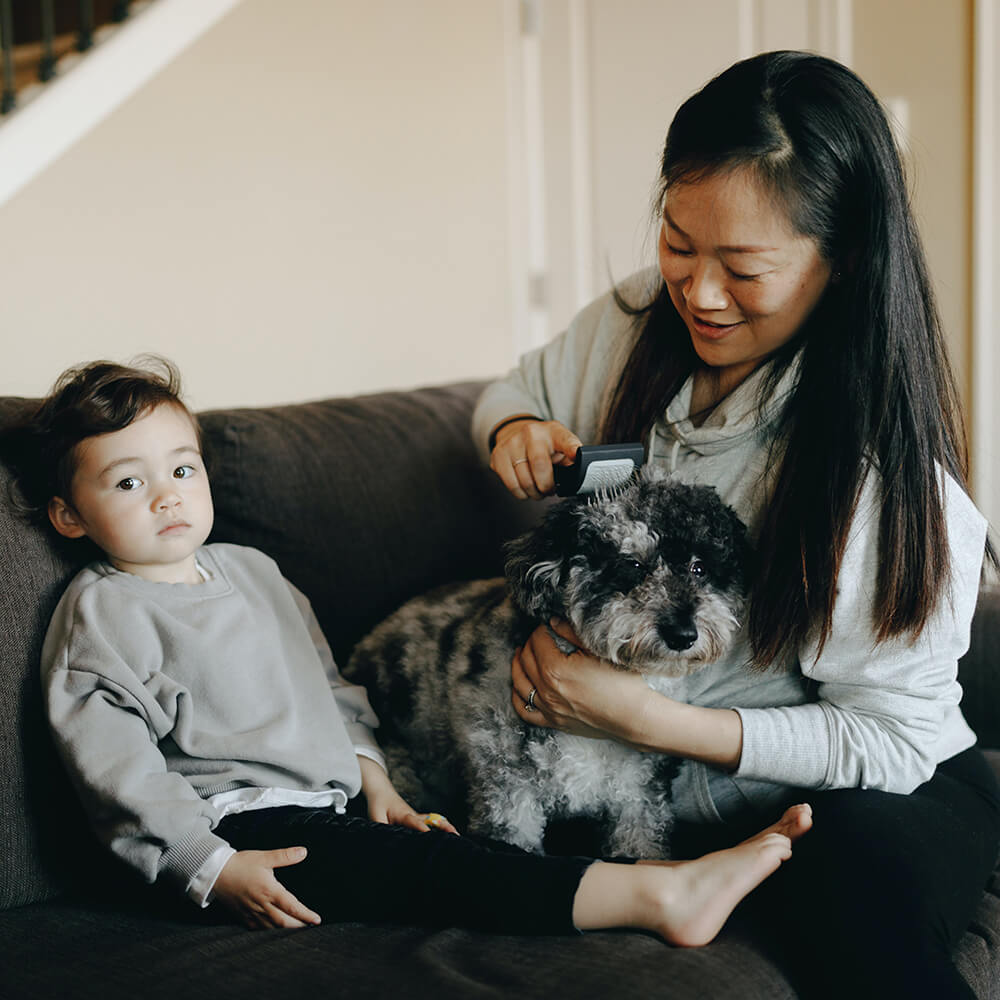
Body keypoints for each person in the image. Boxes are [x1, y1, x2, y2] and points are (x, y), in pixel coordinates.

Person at [473, 50, 1000, 999]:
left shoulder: (874, 478)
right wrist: (516, 426)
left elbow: (893, 743)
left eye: (744, 268)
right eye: (681, 242)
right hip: (643, 786)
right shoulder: (634, 323)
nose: (699, 293)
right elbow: (519, 387)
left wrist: (654, 718)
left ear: (842, 263)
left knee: (859, 902)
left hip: (861, 790)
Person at [3, 357, 813, 941]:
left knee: (430, 844)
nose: (169, 495)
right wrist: (208, 866)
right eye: (128, 482)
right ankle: (657, 897)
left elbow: (327, 688)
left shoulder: (253, 573)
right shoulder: (101, 615)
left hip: (332, 808)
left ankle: (645, 882)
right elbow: (116, 772)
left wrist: (375, 779)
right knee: (444, 874)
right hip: (237, 831)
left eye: (181, 467)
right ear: (69, 516)